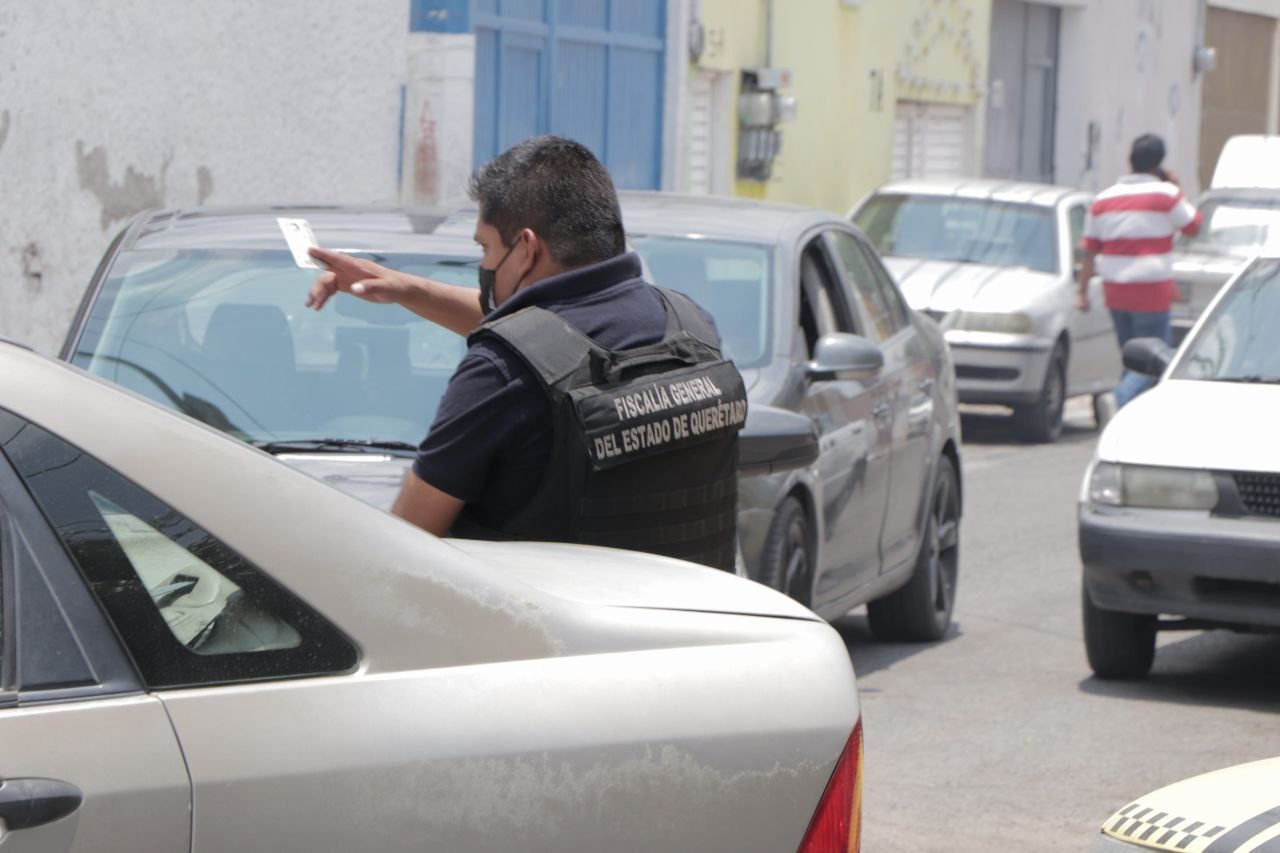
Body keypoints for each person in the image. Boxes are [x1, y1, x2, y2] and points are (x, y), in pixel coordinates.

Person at [305, 136, 746, 570]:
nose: (483, 264)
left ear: (527, 249)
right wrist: (407, 289)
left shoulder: (499, 373)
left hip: (555, 618)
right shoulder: (692, 330)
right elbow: (554, 335)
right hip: (700, 613)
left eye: (485, 248)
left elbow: (404, 548)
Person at [1076, 133, 1203, 408]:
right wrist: (1177, 187)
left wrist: (1082, 292)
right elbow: (1193, 226)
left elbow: (1089, 251)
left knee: (1131, 355)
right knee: (1154, 356)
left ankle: (1124, 410)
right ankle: (1118, 401)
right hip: (1150, 288)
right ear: (1159, 163)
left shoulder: (1103, 200)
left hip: (1115, 289)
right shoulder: (1166, 194)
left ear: (1130, 159)